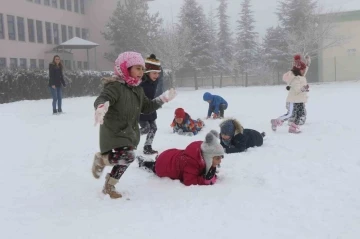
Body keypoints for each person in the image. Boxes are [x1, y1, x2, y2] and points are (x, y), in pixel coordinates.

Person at [91, 51, 177, 199]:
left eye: (142, 69)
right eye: (137, 68)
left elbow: (147, 107)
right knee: (128, 156)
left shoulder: (137, 89)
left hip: (129, 132)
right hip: (115, 131)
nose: (141, 72)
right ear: (125, 67)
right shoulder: (115, 87)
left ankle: (109, 185)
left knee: (126, 159)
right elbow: (103, 98)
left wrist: (162, 99)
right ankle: (101, 160)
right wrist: (100, 107)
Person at [138, 130, 224, 186]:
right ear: (208, 158)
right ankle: (144, 163)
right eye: (217, 158)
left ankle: (150, 160)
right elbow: (189, 181)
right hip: (164, 165)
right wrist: (203, 180)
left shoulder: (204, 150)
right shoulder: (192, 162)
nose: (220, 161)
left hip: (171, 154)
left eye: (220, 157)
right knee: (154, 167)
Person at [271, 54, 309, 133]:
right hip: (293, 100)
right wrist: (304, 88)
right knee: (290, 114)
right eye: (303, 70)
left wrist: (307, 63)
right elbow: (297, 90)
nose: (304, 71)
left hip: (300, 100)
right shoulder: (295, 78)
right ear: (299, 70)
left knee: (300, 114)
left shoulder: (301, 76)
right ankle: (276, 121)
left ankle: (293, 128)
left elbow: (304, 69)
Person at [139, 54, 162, 155]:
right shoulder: (140, 82)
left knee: (154, 128)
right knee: (146, 128)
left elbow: (161, 74)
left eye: (158, 73)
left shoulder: (155, 81)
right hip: (141, 109)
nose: (156, 75)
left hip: (151, 108)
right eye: (154, 73)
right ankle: (129, 137)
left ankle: (147, 147)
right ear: (147, 72)